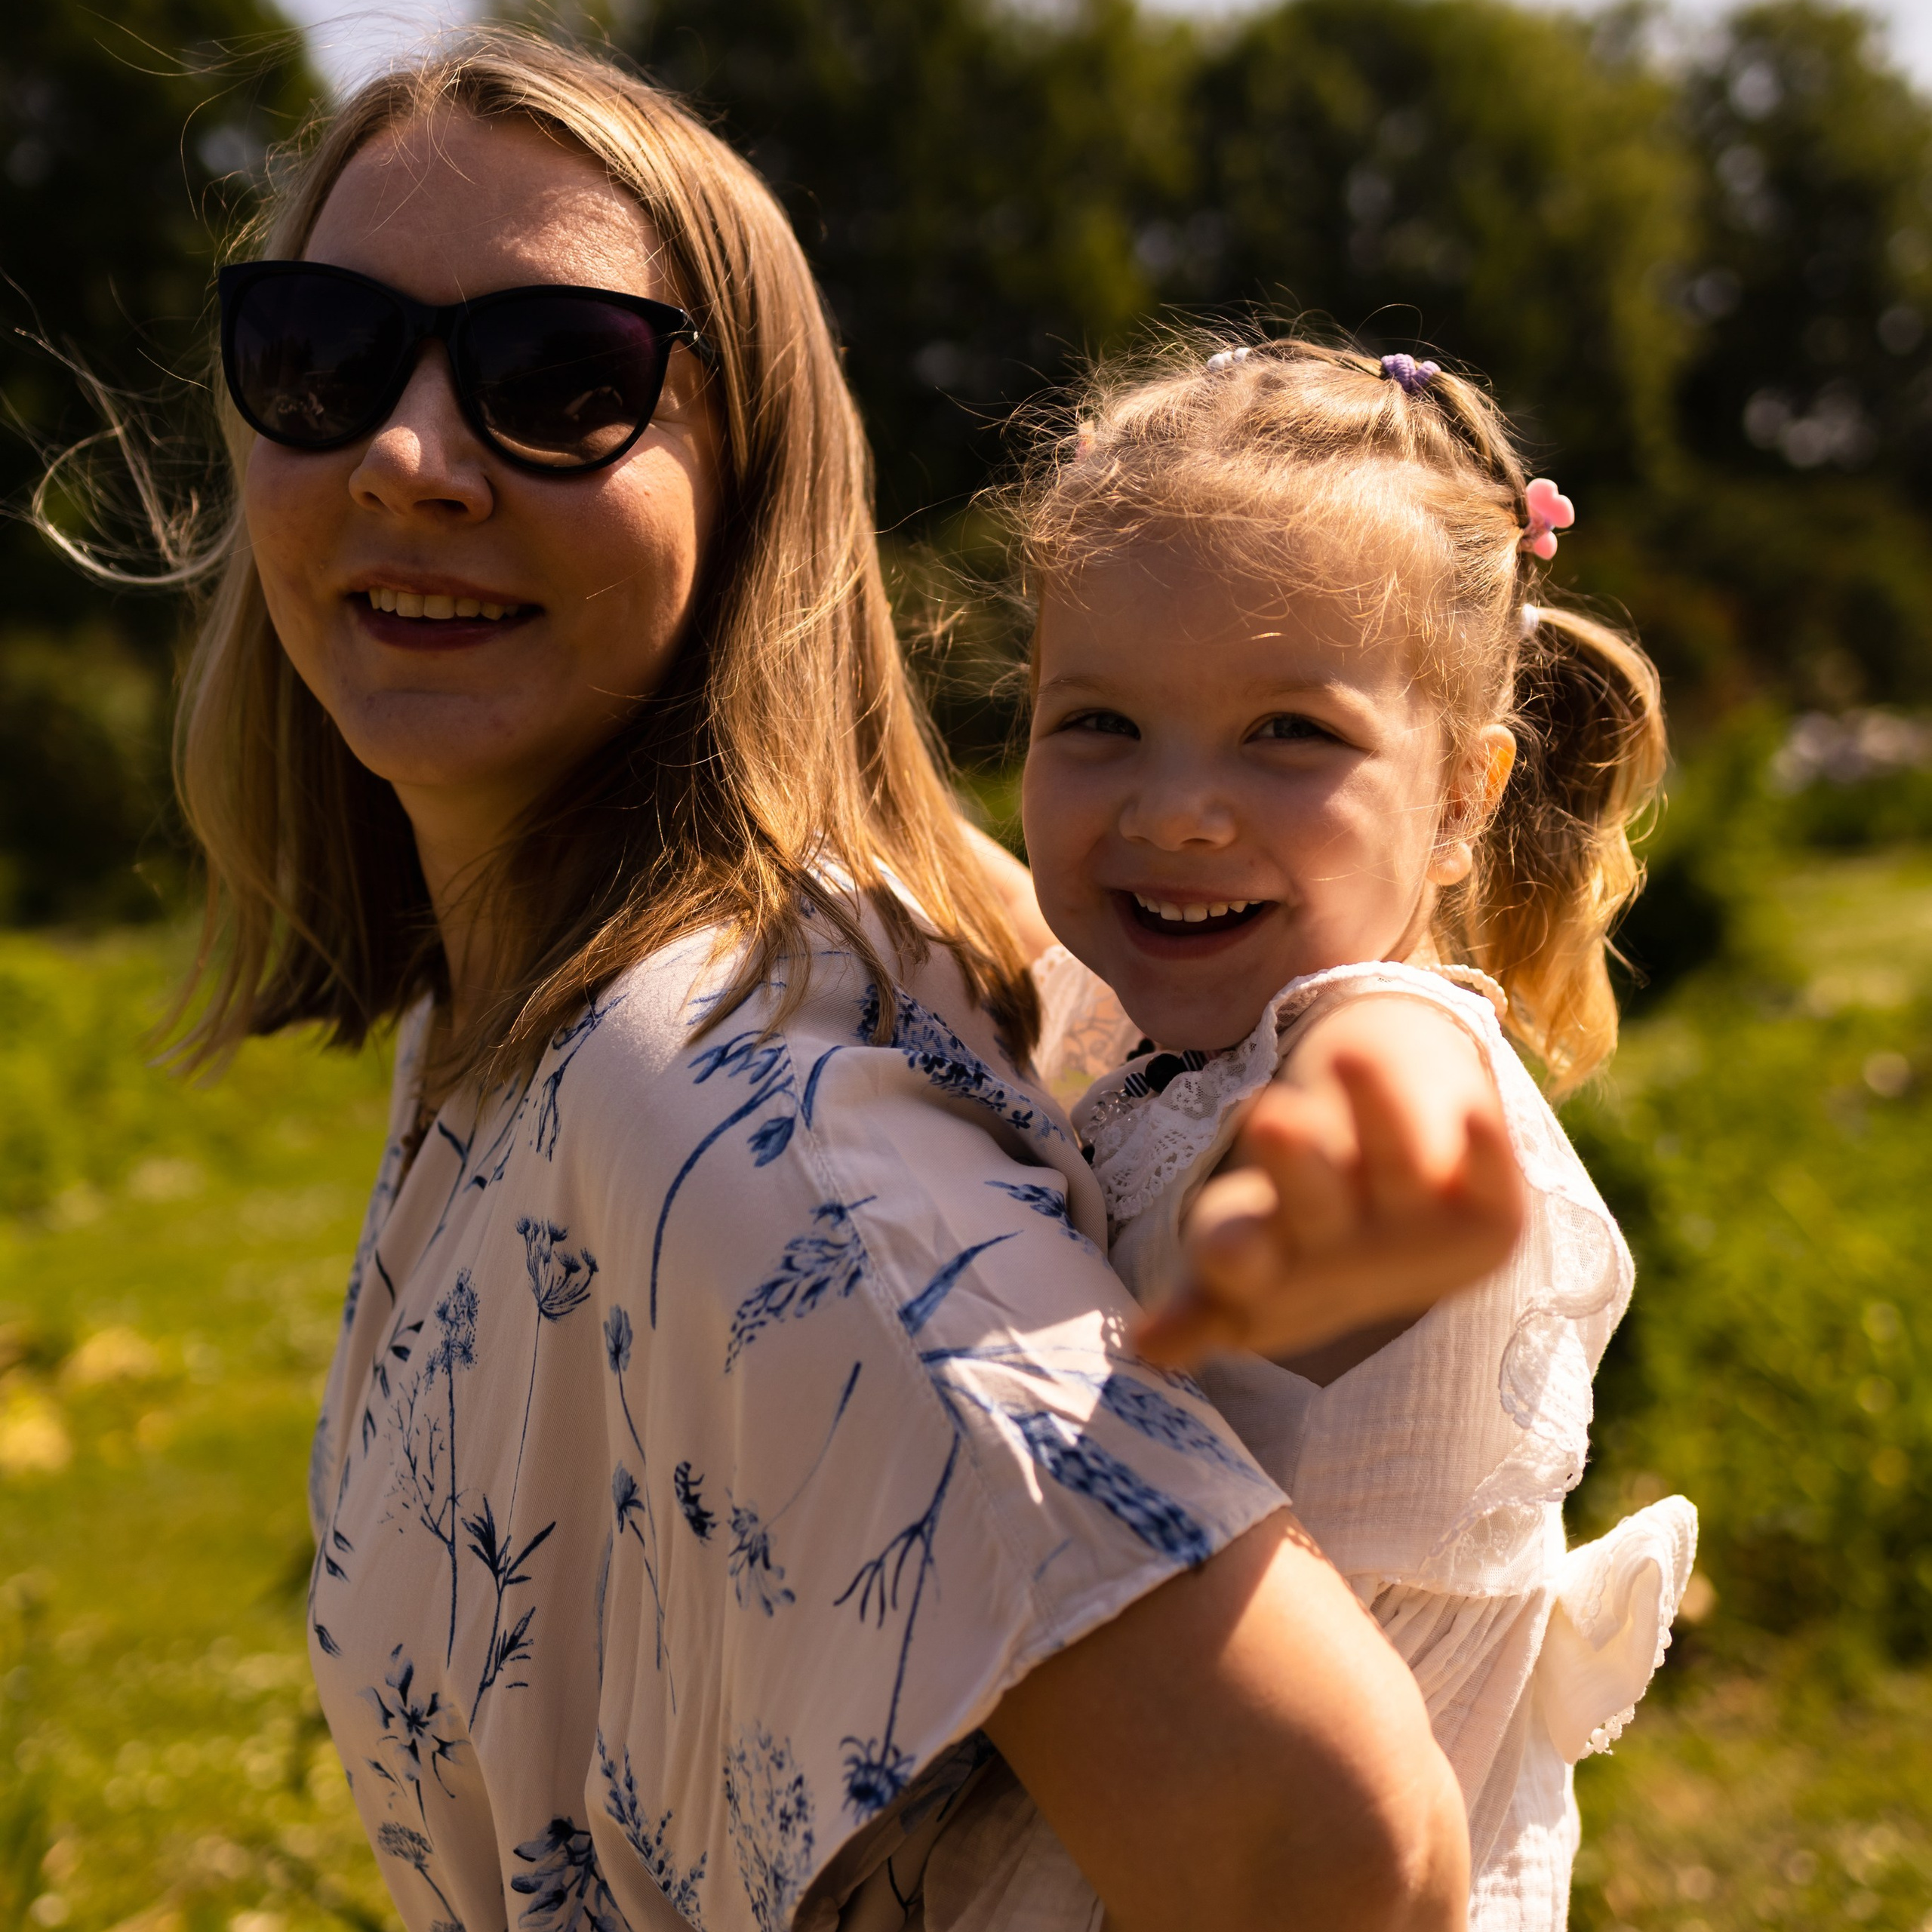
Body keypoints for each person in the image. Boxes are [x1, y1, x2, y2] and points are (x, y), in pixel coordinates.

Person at [115, 33, 1482, 1932]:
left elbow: (1330, 1851)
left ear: (749, 483)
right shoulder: (503, 1026)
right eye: (319, 358)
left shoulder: (728, 1097)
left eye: (555, 380)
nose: (409, 459)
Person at [1005, 338, 1700, 1929]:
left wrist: (1342, 1163)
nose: (1175, 806)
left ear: (1460, 795)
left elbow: (1400, 1073)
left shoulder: (1380, 1036)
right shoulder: (1145, 1013)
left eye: (1287, 735)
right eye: (1096, 721)